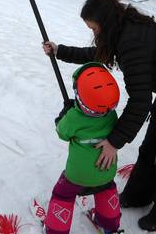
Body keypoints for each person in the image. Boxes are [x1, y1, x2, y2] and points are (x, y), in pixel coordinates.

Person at [43, 0, 156, 231]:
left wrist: (114, 141)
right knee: (151, 146)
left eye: (94, 29)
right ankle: (139, 194)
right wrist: (60, 51)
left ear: (105, 23)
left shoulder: (132, 41)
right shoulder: (119, 28)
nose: (94, 34)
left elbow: (139, 101)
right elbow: (99, 53)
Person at [44, 62, 123, 234]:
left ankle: (56, 230)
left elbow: (62, 132)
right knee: (106, 189)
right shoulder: (112, 115)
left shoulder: (73, 117)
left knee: (63, 194)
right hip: (106, 170)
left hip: (77, 175)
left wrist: (63, 115)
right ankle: (110, 225)